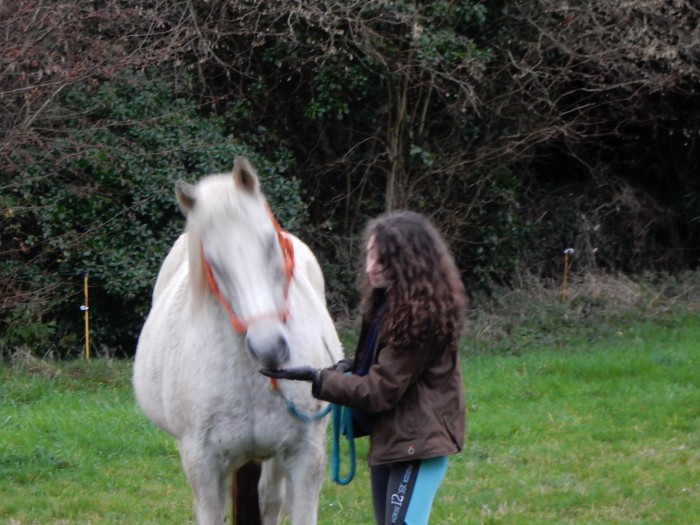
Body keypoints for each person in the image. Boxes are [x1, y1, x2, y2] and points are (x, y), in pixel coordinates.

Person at [260, 210, 466, 525]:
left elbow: (379, 390)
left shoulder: (423, 318)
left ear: (406, 263)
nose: (370, 267)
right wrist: (343, 367)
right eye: (369, 255)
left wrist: (319, 380)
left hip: (417, 447)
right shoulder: (390, 305)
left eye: (381, 260)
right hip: (393, 441)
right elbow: (380, 365)